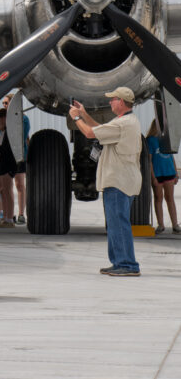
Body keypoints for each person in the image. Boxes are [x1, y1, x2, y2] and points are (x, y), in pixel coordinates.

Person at [69, 87, 142, 276]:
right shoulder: (125, 122)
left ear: (121, 102)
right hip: (123, 180)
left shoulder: (122, 124)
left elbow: (89, 134)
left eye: (113, 99)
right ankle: (120, 262)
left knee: (118, 222)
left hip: (118, 181)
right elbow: (99, 130)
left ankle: (127, 264)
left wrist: (76, 118)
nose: (110, 102)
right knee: (116, 222)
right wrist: (84, 113)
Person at [147, 120, 180, 234]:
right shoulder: (150, 140)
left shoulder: (167, 139)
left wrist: (176, 173)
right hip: (158, 174)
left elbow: (171, 156)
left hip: (169, 172)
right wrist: (153, 177)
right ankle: (161, 224)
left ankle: (175, 224)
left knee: (170, 198)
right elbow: (149, 161)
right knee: (158, 198)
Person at [3, 93, 31, 224]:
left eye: (7, 103)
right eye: (3, 103)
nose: (5, 105)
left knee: (19, 184)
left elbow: (21, 135)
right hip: (6, 156)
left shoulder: (23, 119)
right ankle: (9, 212)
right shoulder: (2, 119)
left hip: (18, 154)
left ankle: (21, 213)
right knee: (5, 185)